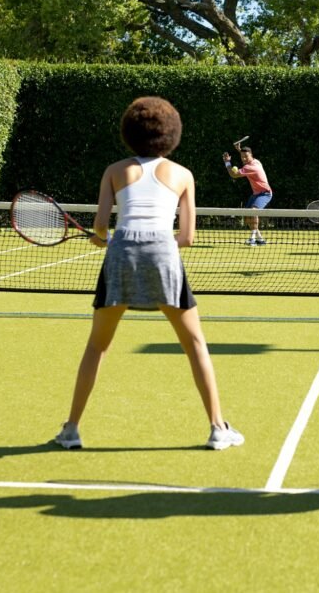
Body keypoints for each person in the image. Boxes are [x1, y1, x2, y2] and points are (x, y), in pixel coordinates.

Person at [54, 96, 244, 451]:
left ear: (130, 132)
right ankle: (218, 428)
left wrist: (101, 239)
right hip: (163, 253)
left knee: (97, 345)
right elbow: (186, 237)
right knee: (195, 344)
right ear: (171, 133)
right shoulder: (183, 174)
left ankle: (71, 430)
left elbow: (100, 228)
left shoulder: (114, 170)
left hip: (120, 251)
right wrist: (159, 245)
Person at [223, 146, 272, 245]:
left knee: (253, 211)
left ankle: (252, 238)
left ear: (251, 156)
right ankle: (260, 239)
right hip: (256, 194)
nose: (244, 159)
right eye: (242, 157)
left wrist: (227, 162)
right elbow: (245, 155)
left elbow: (233, 175)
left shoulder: (250, 167)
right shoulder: (256, 161)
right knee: (246, 216)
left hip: (265, 193)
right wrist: (239, 149)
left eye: (246, 156)